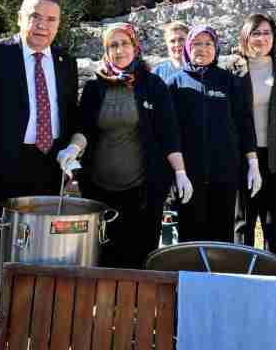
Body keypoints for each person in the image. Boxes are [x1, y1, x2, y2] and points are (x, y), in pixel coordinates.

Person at [0, 0, 85, 337]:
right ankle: (0, 312)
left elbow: (69, 113)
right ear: (20, 17)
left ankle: (38, 311)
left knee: (44, 239)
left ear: (59, 24)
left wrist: (72, 161)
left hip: (49, 163)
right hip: (5, 163)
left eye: (50, 19)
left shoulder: (65, 61)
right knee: (3, 237)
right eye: (35, 16)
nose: (42, 25)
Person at [77, 23, 193, 269]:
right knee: (104, 258)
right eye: (113, 45)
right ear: (106, 51)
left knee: (140, 259)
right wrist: (72, 151)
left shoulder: (152, 85)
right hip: (99, 192)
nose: (119, 50)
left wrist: (180, 172)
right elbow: (83, 129)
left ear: (135, 47)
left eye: (124, 44)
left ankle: (138, 308)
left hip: (142, 192)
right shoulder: (94, 87)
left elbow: (168, 133)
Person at [167, 25, 260, 242]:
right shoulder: (175, 83)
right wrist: (175, 173)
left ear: (216, 48)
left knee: (221, 234)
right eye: (197, 43)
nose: (203, 48)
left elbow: (245, 124)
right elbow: (168, 131)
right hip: (188, 174)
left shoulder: (230, 82)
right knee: (190, 236)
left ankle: (218, 274)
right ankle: (190, 275)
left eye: (208, 43)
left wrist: (253, 163)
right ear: (188, 48)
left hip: (225, 172)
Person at [229, 14, 276, 256]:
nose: (261, 38)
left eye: (266, 33)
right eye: (256, 33)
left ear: (274, 37)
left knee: (273, 222)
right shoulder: (234, 69)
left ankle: (272, 273)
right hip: (242, 154)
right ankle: (241, 272)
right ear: (246, 37)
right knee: (243, 220)